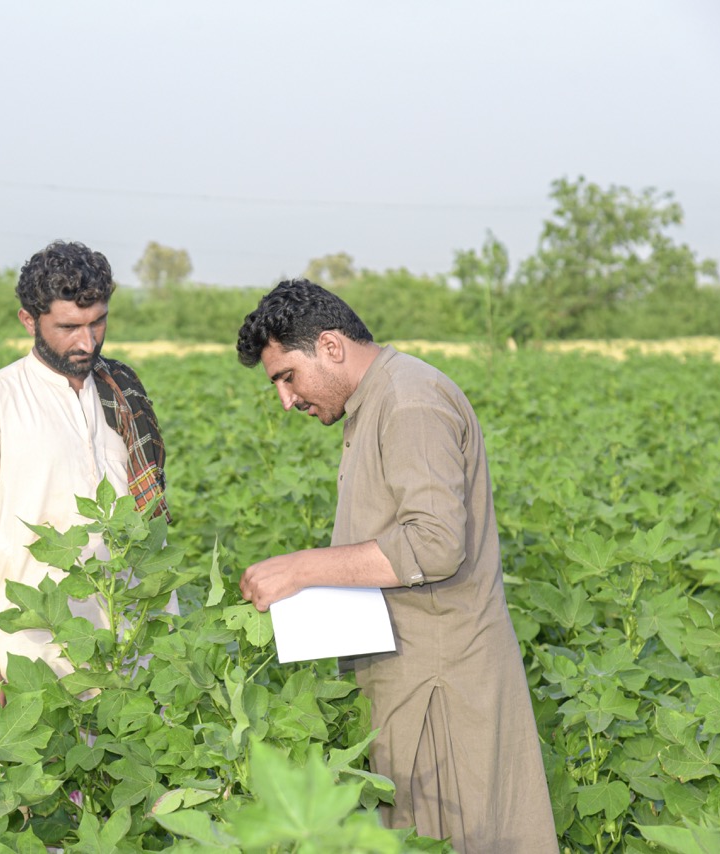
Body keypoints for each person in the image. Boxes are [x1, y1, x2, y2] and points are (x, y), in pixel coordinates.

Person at [235, 279, 557, 853]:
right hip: (410, 671)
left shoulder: (409, 401)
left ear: (331, 346)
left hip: (440, 680)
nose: (286, 399)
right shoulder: (378, 398)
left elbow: (435, 543)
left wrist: (304, 568)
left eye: (287, 377)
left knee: (455, 834)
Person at [0, 240, 169, 697]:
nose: (87, 341)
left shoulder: (121, 392)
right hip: (33, 650)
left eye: (97, 322)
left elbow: (149, 523)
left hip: (128, 643)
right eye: (68, 326)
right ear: (29, 320)